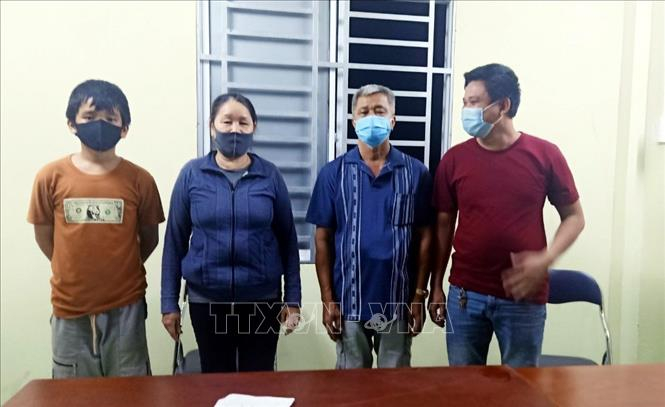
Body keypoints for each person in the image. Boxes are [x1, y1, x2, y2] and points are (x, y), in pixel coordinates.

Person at [429, 63, 585, 367]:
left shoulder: (545, 155)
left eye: (475, 102)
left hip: (523, 299)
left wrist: (546, 258)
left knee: (522, 387)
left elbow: (575, 217)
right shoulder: (454, 160)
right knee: (463, 387)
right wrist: (436, 286)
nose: (467, 110)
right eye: (464, 102)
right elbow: (443, 227)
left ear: (503, 105)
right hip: (465, 295)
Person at [28, 79, 165, 377]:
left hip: (126, 307)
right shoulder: (50, 177)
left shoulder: (141, 180)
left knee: (130, 391)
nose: (99, 125)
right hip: (69, 308)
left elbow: (150, 239)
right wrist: (70, 267)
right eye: (89, 117)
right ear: (71, 123)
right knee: (74, 393)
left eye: (110, 119)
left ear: (124, 128)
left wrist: (119, 269)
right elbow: (44, 235)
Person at [161, 93, 302, 373]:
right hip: (207, 302)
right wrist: (169, 303)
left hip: (262, 301)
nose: (235, 129)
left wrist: (293, 299)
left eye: (243, 122)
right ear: (212, 127)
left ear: (253, 127)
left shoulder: (270, 176)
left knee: (259, 380)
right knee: (216, 380)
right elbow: (174, 242)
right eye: (227, 121)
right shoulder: (192, 175)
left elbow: (288, 240)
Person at [306, 84, 433, 369]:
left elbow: (426, 237)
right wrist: (328, 300)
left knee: (395, 385)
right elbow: (322, 239)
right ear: (354, 121)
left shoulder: (416, 173)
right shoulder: (333, 174)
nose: (371, 117)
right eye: (364, 112)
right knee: (352, 386)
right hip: (349, 302)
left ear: (393, 120)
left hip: (398, 301)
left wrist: (418, 296)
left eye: (379, 111)